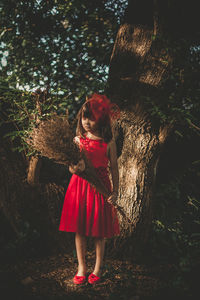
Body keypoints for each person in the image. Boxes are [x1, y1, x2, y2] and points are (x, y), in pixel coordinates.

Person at [59, 93, 120, 285]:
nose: (86, 122)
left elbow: (115, 168)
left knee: (99, 232)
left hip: (101, 188)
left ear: (100, 119)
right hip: (79, 188)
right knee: (80, 230)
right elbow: (71, 167)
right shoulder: (78, 141)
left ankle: (97, 269)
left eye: (91, 118)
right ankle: (81, 268)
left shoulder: (108, 143)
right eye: (84, 117)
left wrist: (116, 192)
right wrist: (76, 168)